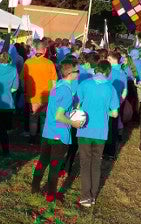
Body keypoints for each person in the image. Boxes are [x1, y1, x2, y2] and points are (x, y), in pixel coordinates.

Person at [33, 59, 84, 200]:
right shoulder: (67, 92)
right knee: (55, 166)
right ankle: (50, 195)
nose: (79, 73)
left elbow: (56, 107)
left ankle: (35, 188)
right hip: (59, 134)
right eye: (77, 71)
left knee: (43, 161)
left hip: (48, 131)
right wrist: (74, 123)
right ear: (70, 74)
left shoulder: (57, 85)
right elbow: (59, 115)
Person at [75, 60, 119, 208]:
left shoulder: (84, 84)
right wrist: (103, 111)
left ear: (96, 69)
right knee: (96, 163)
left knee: (85, 163)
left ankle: (86, 196)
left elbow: (77, 104)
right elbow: (114, 113)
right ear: (108, 72)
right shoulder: (111, 88)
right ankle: (93, 195)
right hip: (101, 131)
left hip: (84, 128)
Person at [23, 43, 58, 144]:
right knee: (43, 118)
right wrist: (52, 95)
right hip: (45, 96)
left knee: (33, 118)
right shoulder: (49, 63)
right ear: (45, 50)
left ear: (35, 50)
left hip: (32, 95)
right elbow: (53, 82)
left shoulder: (28, 62)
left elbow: (23, 80)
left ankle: (32, 138)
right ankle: (43, 139)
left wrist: (25, 92)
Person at [0, 52, 19, 160]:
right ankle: (6, 152)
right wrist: (8, 91)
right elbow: (15, 87)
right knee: (3, 131)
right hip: (7, 104)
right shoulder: (13, 69)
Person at [104, 51, 128, 159]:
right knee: (113, 128)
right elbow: (125, 90)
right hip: (116, 103)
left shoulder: (108, 72)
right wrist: (120, 101)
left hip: (106, 103)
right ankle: (110, 153)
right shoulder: (123, 73)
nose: (107, 61)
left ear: (113, 60)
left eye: (108, 59)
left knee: (106, 127)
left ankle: (105, 150)